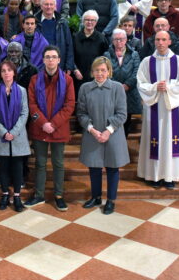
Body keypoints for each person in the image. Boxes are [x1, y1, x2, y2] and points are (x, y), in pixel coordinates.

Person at [137, 31, 179, 189]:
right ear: (154, 42)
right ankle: (152, 175)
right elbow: (141, 83)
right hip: (154, 106)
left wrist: (168, 87)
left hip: (173, 107)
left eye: (163, 39)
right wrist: (155, 87)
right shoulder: (147, 62)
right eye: (157, 39)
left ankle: (170, 176)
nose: (160, 42)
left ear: (169, 42)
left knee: (171, 139)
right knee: (153, 138)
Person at [26, 46, 76, 211]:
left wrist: (53, 124)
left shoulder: (67, 80)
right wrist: (43, 123)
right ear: (43, 59)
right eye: (47, 57)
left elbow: (69, 106)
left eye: (54, 57)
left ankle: (59, 196)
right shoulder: (35, 80)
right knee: (40, 163)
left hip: (58, 128)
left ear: (59, 60)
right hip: (40, 128)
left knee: (58, 163)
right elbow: (31, 105)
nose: (51, 60)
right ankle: (39, 195)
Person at [77, 56, 129, 215]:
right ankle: (96, 196)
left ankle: (111, 200)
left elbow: (122, 114)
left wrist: (108, 131)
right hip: (93, 133)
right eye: (97, 70)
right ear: (92, 72)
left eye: (103, 70)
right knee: (94, 167)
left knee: (113, 168)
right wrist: (92, 129)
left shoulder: (117, 88)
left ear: (109, 71)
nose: (100, 73)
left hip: (113, 134)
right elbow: (81, 113)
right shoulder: (85, 88)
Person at [0, 60, 30, 212]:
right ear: (0, 73)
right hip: (1, 136)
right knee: (3, 167)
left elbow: (25, 113)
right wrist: (4, 132)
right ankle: (5, 194)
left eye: (9, 70)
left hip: (18, 136)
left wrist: (14, 132)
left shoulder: (22, 91)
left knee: (18, 167)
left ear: (14, 73)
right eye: (3, 70)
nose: (6, 73)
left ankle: (17, 196)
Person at [104, 29, 141, 135]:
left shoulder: (134, 54)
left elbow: (137, 72)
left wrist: (127, 85)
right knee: (112, 121)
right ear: (112, 41)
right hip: (112, 92)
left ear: (126, 40)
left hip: (129, 92)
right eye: (116, 39)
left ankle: (123, 146)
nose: (119, 41)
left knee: (126, 122)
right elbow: (105, 72)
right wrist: (116, 86)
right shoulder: (107, 55)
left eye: (121, 39)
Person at [73, 9, 109, 98]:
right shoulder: (75, 37)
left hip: (96, 77)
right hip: (78, 76)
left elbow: (105, 59)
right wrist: (75, 69)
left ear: (96, 22)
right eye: (87, 20)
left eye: (92, 20)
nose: (89, 22)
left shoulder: (101, 38)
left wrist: (99, 73)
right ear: (83, 21)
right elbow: (70, 56)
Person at [35, 0, 75, 72]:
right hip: (39, 64)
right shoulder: (34, 22)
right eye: (46, 4)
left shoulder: (62, 23)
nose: (49, 7)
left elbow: (69, 45)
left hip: (59, 64)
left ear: (55, 6)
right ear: (41, 6)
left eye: (51, 4)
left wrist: (69, 66)